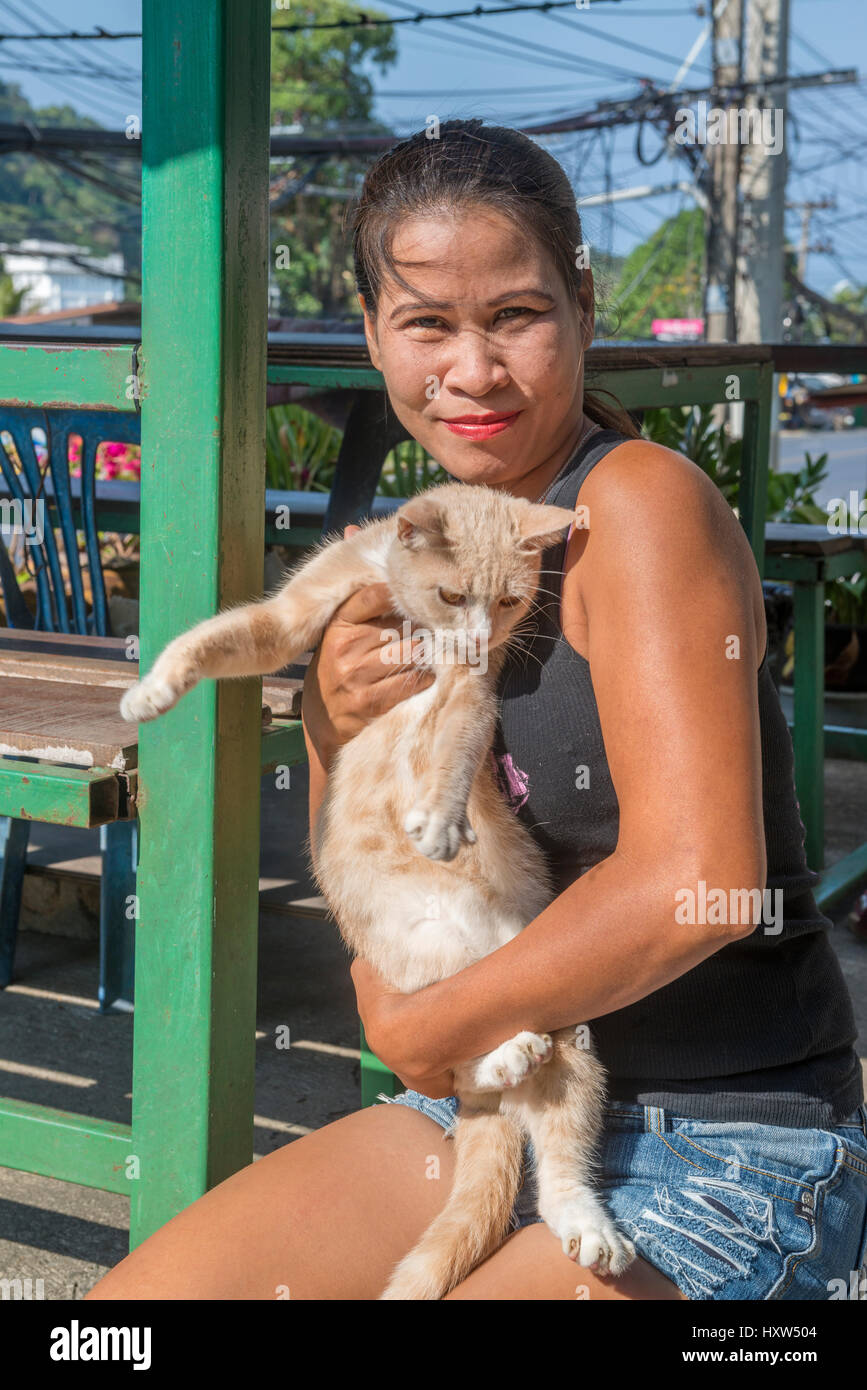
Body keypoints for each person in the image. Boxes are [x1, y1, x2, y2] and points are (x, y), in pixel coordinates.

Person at [88, 121, 866, 1302]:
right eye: (426, 324)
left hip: (726, 1137)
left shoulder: (633, 509)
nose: (474, 370)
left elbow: (696, 884)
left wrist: (428, 1021)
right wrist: (330, 726)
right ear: (372, 336)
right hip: (484, 1100)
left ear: (584, 309)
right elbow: (373, 863)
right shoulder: (423, 539)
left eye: (515, 315)